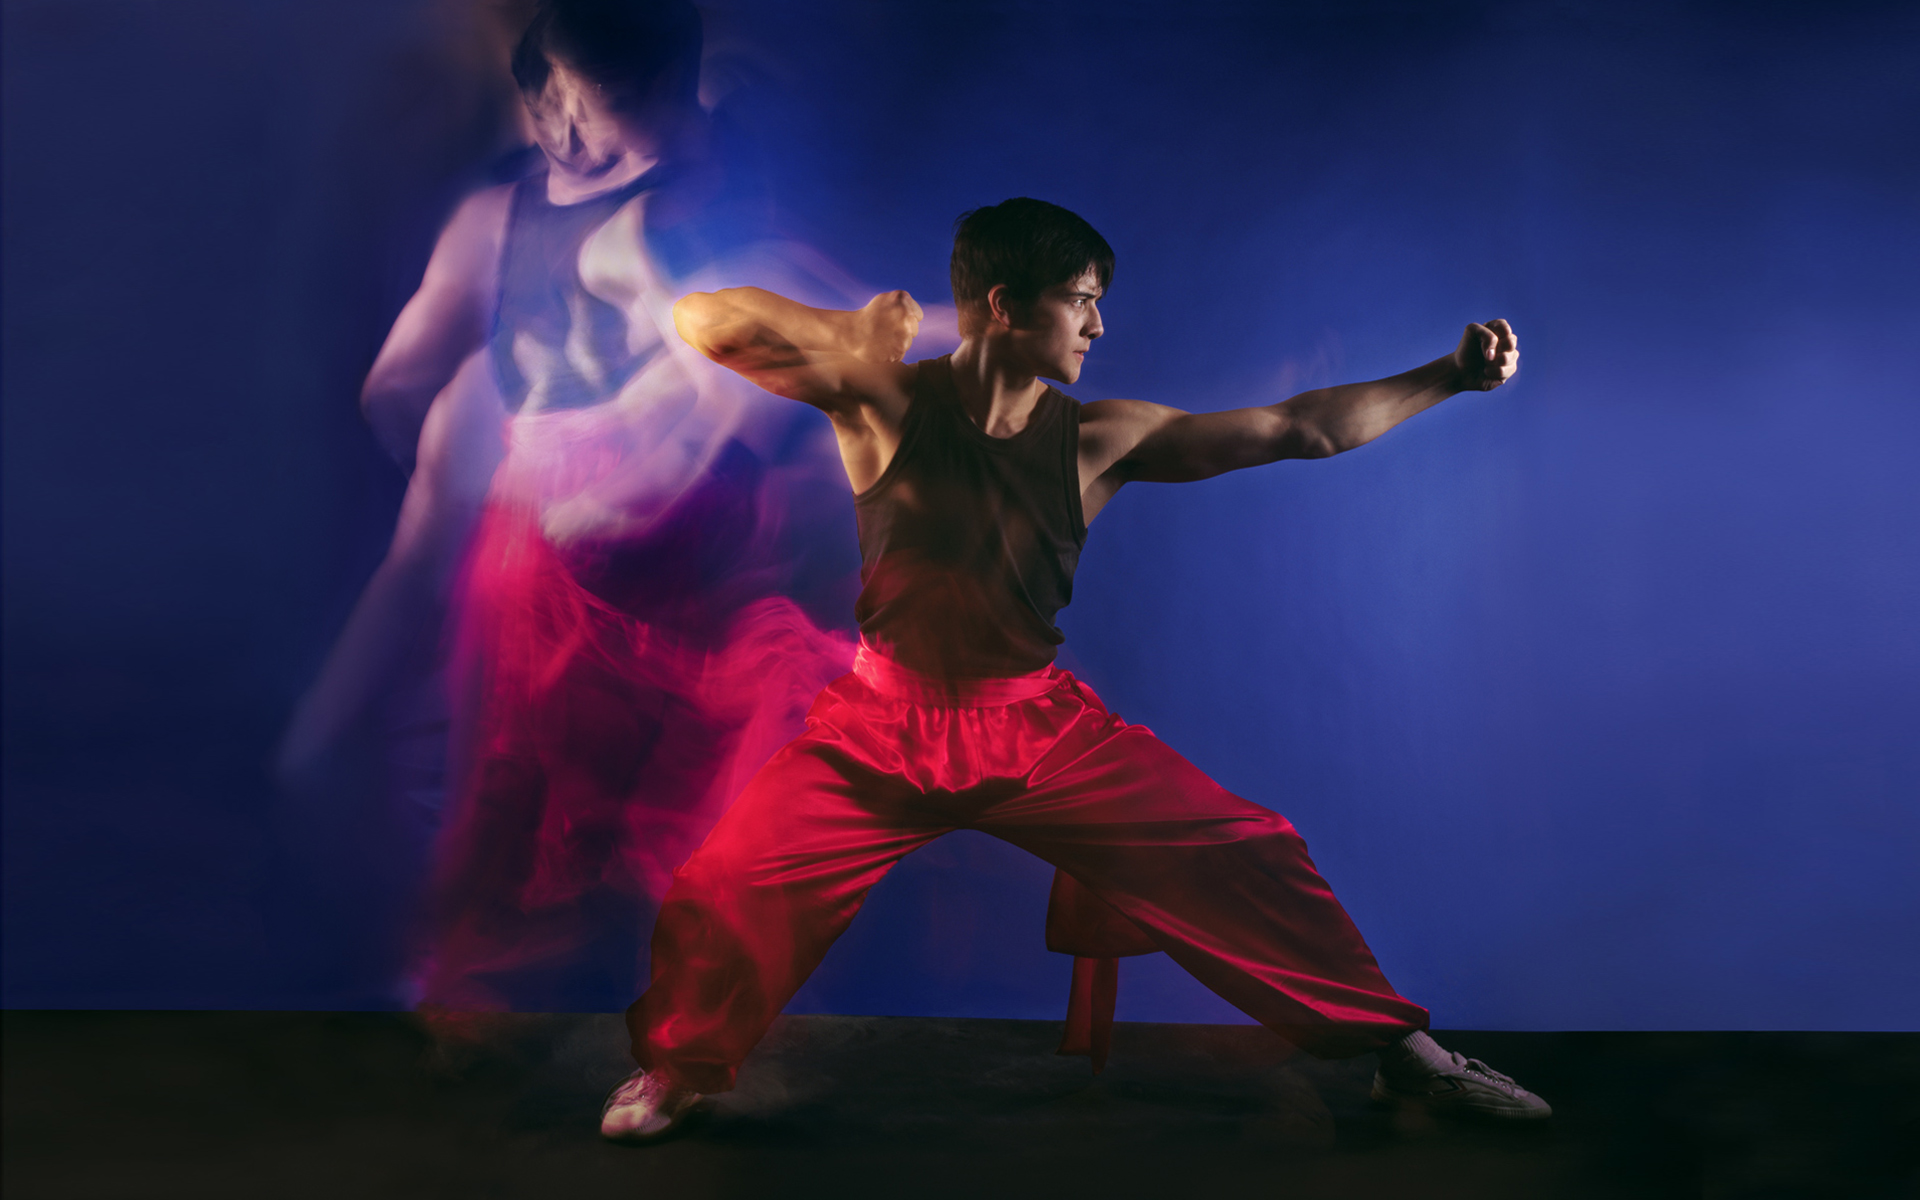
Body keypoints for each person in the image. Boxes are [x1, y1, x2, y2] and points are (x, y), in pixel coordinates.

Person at [597, 197, 1547, 1141]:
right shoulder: (881, 399)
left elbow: (1299, 428)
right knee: (731, 880)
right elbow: (700, 318)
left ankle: (1405, 1056)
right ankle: (673, 1068)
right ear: (1006, 305)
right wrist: (838, 329)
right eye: (1081, 300)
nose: (1099, 323)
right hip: (877, 727)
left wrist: (1449, 377)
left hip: (1038, 733)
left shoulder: (1102, 439)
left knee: (1252, 848)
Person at [281, 0, 857, 1013]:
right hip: (577, 516)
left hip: (609, 516)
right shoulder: (603, 218)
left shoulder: (631, 222)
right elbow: (401, 381)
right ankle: (533, 969)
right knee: (551, 765)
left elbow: (398, 383)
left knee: (560, 768)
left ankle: (544, 972)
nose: (577, 128)